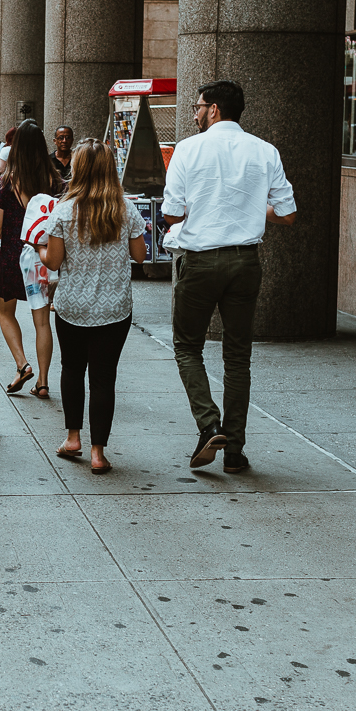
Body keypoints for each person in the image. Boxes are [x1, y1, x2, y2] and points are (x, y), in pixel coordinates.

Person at [162, 80, 297, 473]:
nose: (194, 113)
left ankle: (209, 427)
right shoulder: (265, 150)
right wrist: (255, 209)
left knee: (187, 346)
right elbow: (288, 215)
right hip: (244, 262)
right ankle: (235, 451)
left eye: (197, 106)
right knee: (238, 357)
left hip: (201, 261)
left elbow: (171, 214)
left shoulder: (188, 148)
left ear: (215, 109)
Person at [42, 139, 147, 474]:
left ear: (78, 168)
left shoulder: (63, 210)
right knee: (104, 378)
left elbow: (54, 262)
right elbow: (140, 255)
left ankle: (73, 437)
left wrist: (40, 250)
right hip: (114, 307)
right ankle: (98, 452)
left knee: (72, 369)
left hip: (73, 305)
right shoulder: (125, 209)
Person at [0, 120, 62, 397]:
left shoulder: (7, 182)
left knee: (5, 313)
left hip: (14, 255)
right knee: (41, 321)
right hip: (42, 256)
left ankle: (21, 364)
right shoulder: (55, 181)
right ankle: (44, 381)